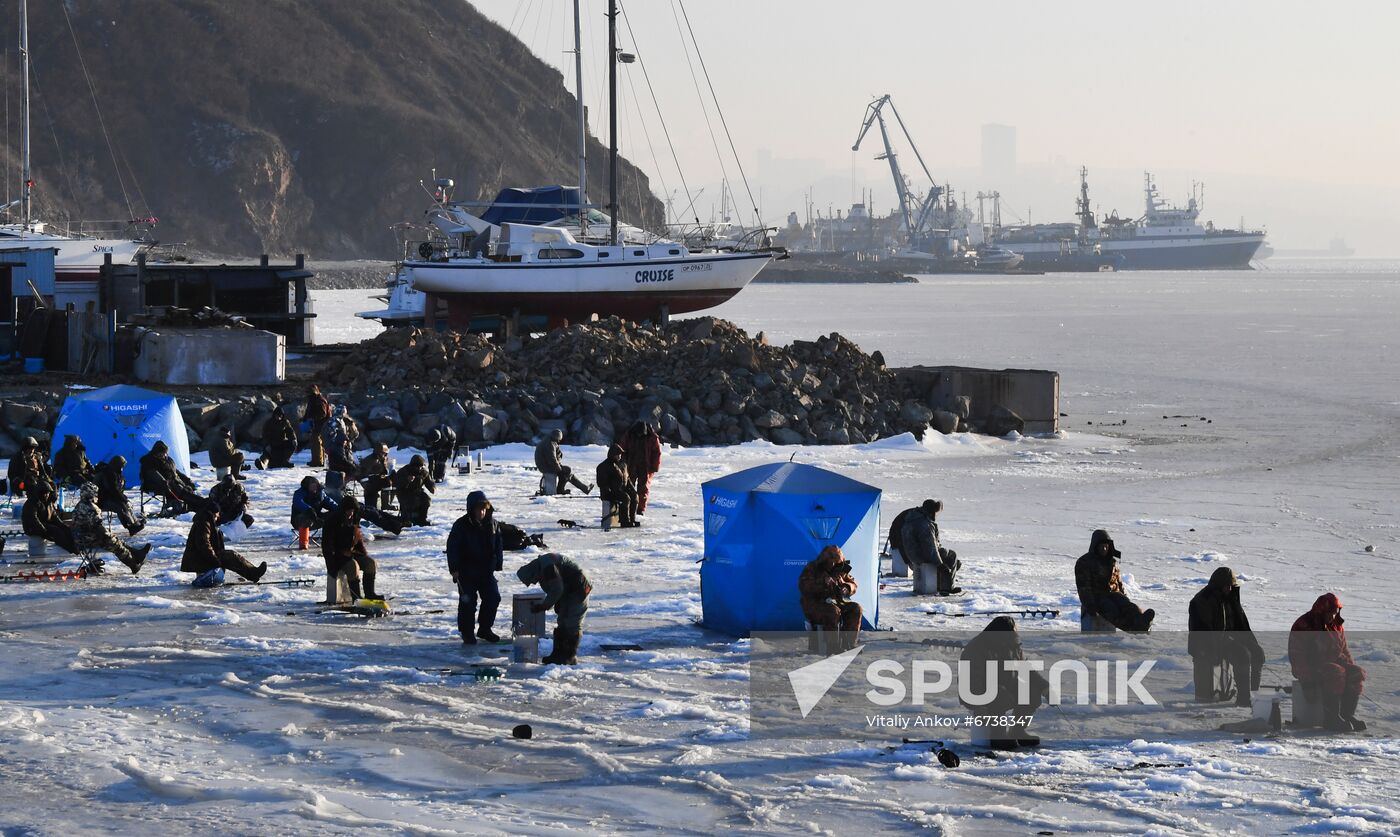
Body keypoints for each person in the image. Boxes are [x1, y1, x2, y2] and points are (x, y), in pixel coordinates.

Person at [959, 616, 1050, 750]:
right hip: (976, 692)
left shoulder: (1013, 645)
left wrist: (1044, 687)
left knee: (1031, 692)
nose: (1016, 631)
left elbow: (1025, 669)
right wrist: (980, 705)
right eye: (1013, 628)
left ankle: (1017, 731)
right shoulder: (976, 648)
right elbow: (971, 678)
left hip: (1005, 688)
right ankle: (998, 735)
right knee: (999, 695)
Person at [1188, 566, 1264, 706]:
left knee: (1258, 653)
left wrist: (1251, 642)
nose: (1229, 589)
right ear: (1218, 585)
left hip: (1231, 638)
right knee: (1242, 655)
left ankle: (1254, 695)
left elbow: (1241, 624)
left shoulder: (1230, 598)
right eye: (1226, 586)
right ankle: (1244, 699)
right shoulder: (1202, 600)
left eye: (1231, 586)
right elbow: (1202, 631)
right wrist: (1225, 640)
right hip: (1211, 643)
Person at [1290, 593, 1367, 732]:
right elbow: (1297, 656)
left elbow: (1344, 650)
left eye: (1335, 612)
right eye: (1330, 613)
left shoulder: (1336, 625)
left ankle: (1347, 716)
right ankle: (1331, 718)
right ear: (1321, 611)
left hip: (1334, 666)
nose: (1333, 616)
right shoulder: (1304, 625)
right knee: (1335, 672)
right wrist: (1306, 682)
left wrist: (1351, 668)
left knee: (1356, 672)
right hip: (1312, 667)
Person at [446, 490, 504, 645]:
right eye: (479, 509)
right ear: (471, 509)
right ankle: (467, 632)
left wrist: (498, 563)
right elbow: (453, 547)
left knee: (493, 597)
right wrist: (454, 569)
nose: (482, 512)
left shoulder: (493, 524)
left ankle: (485, 629)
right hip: (466, 572)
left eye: (484, 509)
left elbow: (498, 544)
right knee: (468, 602)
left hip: (486, 571)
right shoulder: (461, 525)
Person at [517, 553, 592, 665]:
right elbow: (557, 587)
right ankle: (558, 655)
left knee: (572, 623)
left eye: (532, 580)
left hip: (579, 587)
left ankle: (569, 657)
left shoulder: (548, 568)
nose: (534, 582)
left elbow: (557, 589)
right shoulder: (543, 565)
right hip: (570, 587)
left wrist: (543, 606)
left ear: (533, 572)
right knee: (562, 621)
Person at [1074, 529, 1154, 632]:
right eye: (1101, 546)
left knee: (1129, 606)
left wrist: (1124, 596)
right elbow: (1083, 587)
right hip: (1097, 596)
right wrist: (1090, 605)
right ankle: (1135, 628)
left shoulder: (1112, 562)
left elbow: (1118, 582)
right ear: (1095, 546)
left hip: (1114, 594)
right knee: (1111, 609)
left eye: (1106, 546)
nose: (1104, 548)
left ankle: (1142, 621)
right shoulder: (1084, 562)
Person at [72, 482, 151, 575]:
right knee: (115, 544)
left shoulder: (79, 505)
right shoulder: (92, 508)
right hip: (88, 540)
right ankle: (133, 564)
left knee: (114, 539)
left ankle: (136, 554)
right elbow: (99, 528)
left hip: (80, 538)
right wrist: (109, 536)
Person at [181, 501, 267, 583]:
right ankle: (254, 573)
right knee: (231, 556)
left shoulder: (206, 521)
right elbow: (203, 544)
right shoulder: (204, 523)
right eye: (217, 514)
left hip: (201, 558)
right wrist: (214, 560)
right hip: (199, 559)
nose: (218, 517)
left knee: (230, 556)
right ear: (213, 513)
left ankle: (253, 573)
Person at [798, 545, 863, 651]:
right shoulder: (812, 568)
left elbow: (852, 583)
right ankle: (833, 647)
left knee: (856, 608)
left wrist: (847, 588)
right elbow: (803, 586)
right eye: (833, 563)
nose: (834, 566)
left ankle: (850, 644)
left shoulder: (840, 569)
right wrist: (822, 583)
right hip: (814, 604)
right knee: (832, 611)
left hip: (836, 602)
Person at [321, 496, 379, 600]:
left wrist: (363, 555)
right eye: (348, 510)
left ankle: (370, 594)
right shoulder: (332, 522)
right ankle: (356, 598)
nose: (351, 513)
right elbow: (327, 546)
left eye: (353, 510)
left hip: (351, 554)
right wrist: (338, 556)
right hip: (336, 557)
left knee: (370, 563)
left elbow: (358, 541)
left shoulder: (353, 520)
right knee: (353, 566)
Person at [900, 499, 961, 595]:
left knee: (947, 556)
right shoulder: (925, 524)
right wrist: (940, 565)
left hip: (911, 554)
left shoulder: (913, 517)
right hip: (920, 555)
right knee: (952, 555)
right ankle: (947, 587)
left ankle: (940, 583)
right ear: (932, 511)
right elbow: (930, 548)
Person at [140, 441, 199, 514]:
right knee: (183, 492)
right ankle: (197, 504)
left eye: (165, 453)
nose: (165, 455)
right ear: (157, 452)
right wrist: (164, 483)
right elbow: (154, 475)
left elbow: (176, 472)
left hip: (172, 482)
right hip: (156, 485)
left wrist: (187, 480)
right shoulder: (149, 461)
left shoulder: (168, 460)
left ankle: (193, 506)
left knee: (188, 488)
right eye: (163, 453)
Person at [22, 482, 77, 555]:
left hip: (44, 524)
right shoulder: (32, 502)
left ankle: (75, 547)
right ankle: (71, 549)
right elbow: (33, 519)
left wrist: (62, 525)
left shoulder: (48, 502)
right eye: (44, 493)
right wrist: (44, 531)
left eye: (47, 493)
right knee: (56, 531)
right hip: (32, 527)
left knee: (65, 529)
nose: (46, 495)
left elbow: (54, 516)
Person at [94, 455, 144, 536]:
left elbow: (118, 490)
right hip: (102, 500)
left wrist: (124, 499)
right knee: (120, 507)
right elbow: (112, 489)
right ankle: (130, 526)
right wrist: (123, 499)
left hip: (111, 498)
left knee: (125, 505)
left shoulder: (116, 473)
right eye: (121, 466)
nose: (122, 468)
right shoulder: (107, 474)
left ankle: (135, 523)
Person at [620, 421, 662, 515]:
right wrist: (622, 463)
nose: (639, 435)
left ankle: (640, 509)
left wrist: (655, 467)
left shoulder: (652, 437)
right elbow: (622, 449)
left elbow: (657, 453)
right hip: (631, 464)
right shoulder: (629, 435)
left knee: (644, 488)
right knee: (628, 486)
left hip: (645, 466)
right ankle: (629, 506)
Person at [534, 429, 591, 495]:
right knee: (566, 472)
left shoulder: (549, 441)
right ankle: (582, 489)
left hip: (546, 465)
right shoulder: (550, 444)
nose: (559, 441)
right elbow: (552, 459)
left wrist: (559, 467)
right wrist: (559, 468)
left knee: (566, 472)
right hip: (547, 467)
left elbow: (553, 457)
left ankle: (584, 488)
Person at [596, 444, 639, 528]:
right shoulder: (603, 466)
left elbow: (627, 478)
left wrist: (632, 489)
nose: (619, 456)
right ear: (612, 455)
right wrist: (608, 492)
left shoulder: (623, 465)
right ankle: (624, 521)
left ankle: (632, 519)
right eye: (617, 454)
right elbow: (601, 483)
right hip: (610, 492)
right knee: (625, 498)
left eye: (620, 454)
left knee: (635, 496)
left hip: (621, 490)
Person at [291, 475, 339, 549]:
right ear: (306, 486)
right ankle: (303, 543)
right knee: (305, 519)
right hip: (299, 520)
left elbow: (331, 503)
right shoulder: (299, 493)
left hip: (317, 518)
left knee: (336, 514)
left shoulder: (321, 493)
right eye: (312, 485)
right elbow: (298, 503)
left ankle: (334, 540)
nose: (314, 487)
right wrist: (309, 510)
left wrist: (341, 509)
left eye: (315, 485)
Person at [392, 454, 434, 526]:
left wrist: (432, 487)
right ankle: (407, 519)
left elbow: (429, 481)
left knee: (426, 500)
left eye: (421, 466)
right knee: (411, 501)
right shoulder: (403, 471)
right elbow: (396, 485)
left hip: (417, 491)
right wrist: (406, 480)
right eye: (417, 466)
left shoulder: (423, 472)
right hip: (404, 492)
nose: (419, 468)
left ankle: (422, 518)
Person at [324, 405, 360, 478]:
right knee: (340, 466)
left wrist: (347, 439)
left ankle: (342, 484)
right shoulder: (334, 420)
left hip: (343, 447)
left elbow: (355, 434)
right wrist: (342, 440)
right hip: (337, 448)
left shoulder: (345, 421)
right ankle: (339, 484)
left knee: (345, 466)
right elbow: (331, 435)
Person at [885, 505, 920, 578]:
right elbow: (901, 543)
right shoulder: (914, 518)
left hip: (900, 541)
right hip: (898, 543)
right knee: (902, 573)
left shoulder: (916, 516)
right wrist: (908, 561)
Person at [358, 443, 394, 510]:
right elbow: (361, 474)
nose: (385, 455)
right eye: (383, 453)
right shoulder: (370, 460)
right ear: (378, 452)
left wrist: (384, 464)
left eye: (386, 454)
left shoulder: (381, 459)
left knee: (387, 481)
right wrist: (367, 486)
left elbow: (384, 472)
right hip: (370, 483)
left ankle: (385, 503)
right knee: (372, 506)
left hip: (375, 480)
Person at [305, 384, 332, 467]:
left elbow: (323, 414)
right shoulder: (313, 399)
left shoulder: (320, 400)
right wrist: (305, 418)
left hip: (321, 424)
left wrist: (312, 418)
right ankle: (317, 460)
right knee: (315, 442)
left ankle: (318, 461)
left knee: (316, 441)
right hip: (316, 424)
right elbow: (310, 411)